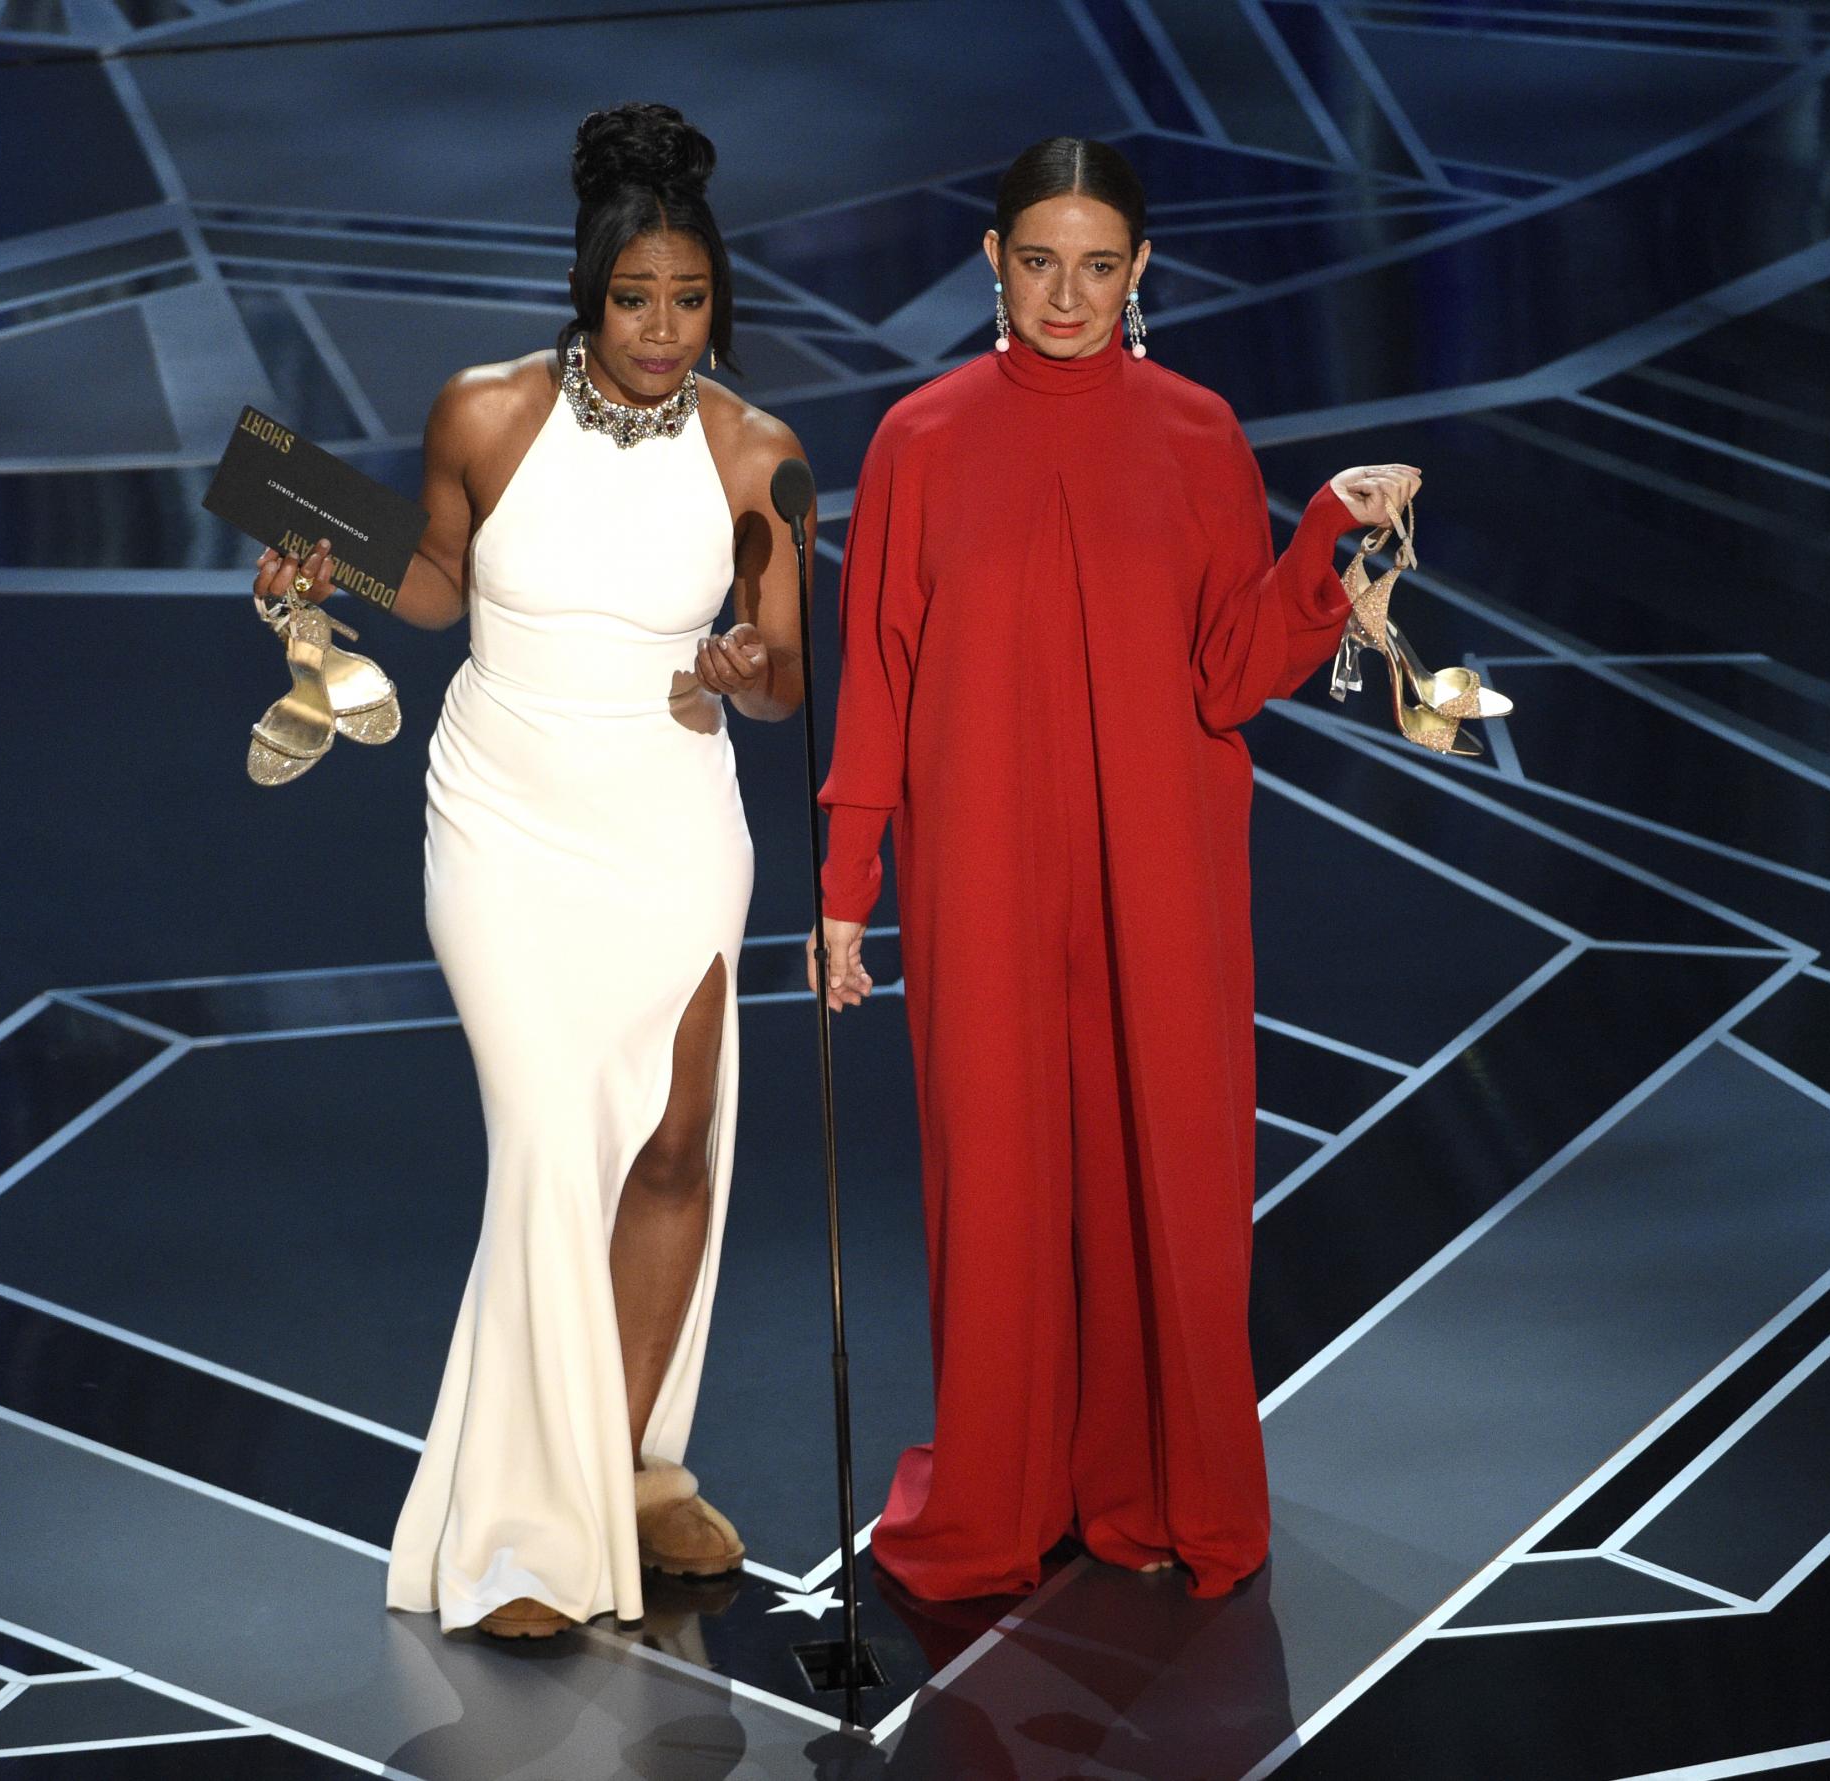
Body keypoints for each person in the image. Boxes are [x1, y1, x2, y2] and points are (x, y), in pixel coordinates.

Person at [812, 135, 1420, 1602]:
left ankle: (1164, 1487)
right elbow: (879, 674)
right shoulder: (922, 438)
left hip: (1165, 865)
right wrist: (846, 883)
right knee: (999, 1171)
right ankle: (1003, 1496)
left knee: (1174, 1169)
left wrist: (1331, 532)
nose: (1067, 295)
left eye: (1098, 267)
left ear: (1141, 271)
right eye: (1039, 263)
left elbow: (1228, 670)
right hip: (982, 868)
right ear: (992, 262)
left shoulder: (1200, 431)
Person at [253, 101, 808, 1639]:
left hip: (672, 819)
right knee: (554, 1145)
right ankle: (515, 1532)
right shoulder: (485, 413)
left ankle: (632, 1468)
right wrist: (325, 552)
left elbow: (783, 681)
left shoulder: (759, 454)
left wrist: (742, 667)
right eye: (636, 298)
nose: (662, 329)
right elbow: (436, 580)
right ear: (588, 288)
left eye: (690, 301)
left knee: (678, 1145)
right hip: (503, 816)